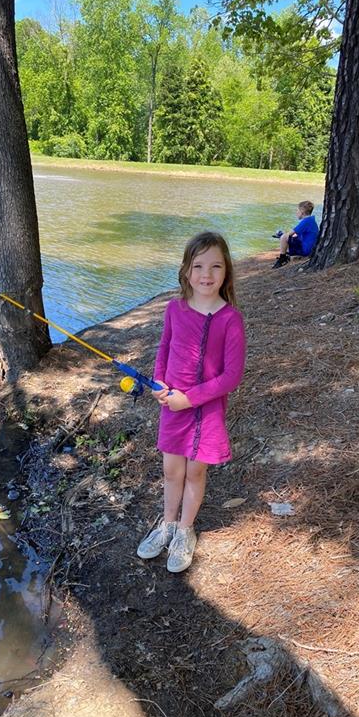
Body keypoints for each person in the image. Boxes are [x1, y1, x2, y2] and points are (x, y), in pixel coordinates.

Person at [136, 232, 246, 573]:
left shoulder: (231, 319)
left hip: (206, 409)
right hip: (173, 405)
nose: (206, 274)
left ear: (226, 272)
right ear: (186, 271)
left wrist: (191, 398)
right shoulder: (174, 309)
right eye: (198, 266)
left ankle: (185, 531)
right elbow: (164, 351)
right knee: (172, 470)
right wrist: (160, 385)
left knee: (195, 471)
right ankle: (167, 525)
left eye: (215, 266)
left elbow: (231, 377)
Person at [272, 200, 319, 268]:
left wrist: (282, 235)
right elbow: (297, 234)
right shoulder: (311, 220)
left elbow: (288, 234)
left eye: (297, 211)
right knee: (291, 236)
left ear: (302, 212)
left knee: (283, 237)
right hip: (310, 249)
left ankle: (282, 259)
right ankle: (287, 254)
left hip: (305, 250)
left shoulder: (305, 222)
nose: (296, 212)